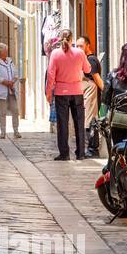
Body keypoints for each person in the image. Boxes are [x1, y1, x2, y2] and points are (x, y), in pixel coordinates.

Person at [46, 28, 90, 160]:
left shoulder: (55, 53)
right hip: (77, 91)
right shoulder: (80, 53)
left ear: (60, 40)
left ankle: (64, 153)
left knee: (63, 123)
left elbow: (50, 75)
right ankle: (81, 153)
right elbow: (88, 69)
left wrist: (49, 93)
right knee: (79, 123)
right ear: (72, 39)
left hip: (61, 92)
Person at [77, 35, 103, 154]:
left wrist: (105, 92)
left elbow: (97, 79)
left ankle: (93, 149)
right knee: (88, 120)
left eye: (81, 46)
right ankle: (90, 148)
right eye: (76, 46)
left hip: (91, 95)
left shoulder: (91, 60)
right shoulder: (84, 59)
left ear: (88, 46)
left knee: (91, 121)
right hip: (86, 94)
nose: (78, 48)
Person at [0, 43, 21, 139]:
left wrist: (13, 81)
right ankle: (3, 132)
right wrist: (8, 83)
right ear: (0, 53)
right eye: (5, 51)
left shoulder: (10, 61)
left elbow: (15, 73)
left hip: (11, 90)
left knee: (15, 110)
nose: (7, 52)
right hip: (1, 91)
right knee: (3, 112)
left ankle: (16, 131)